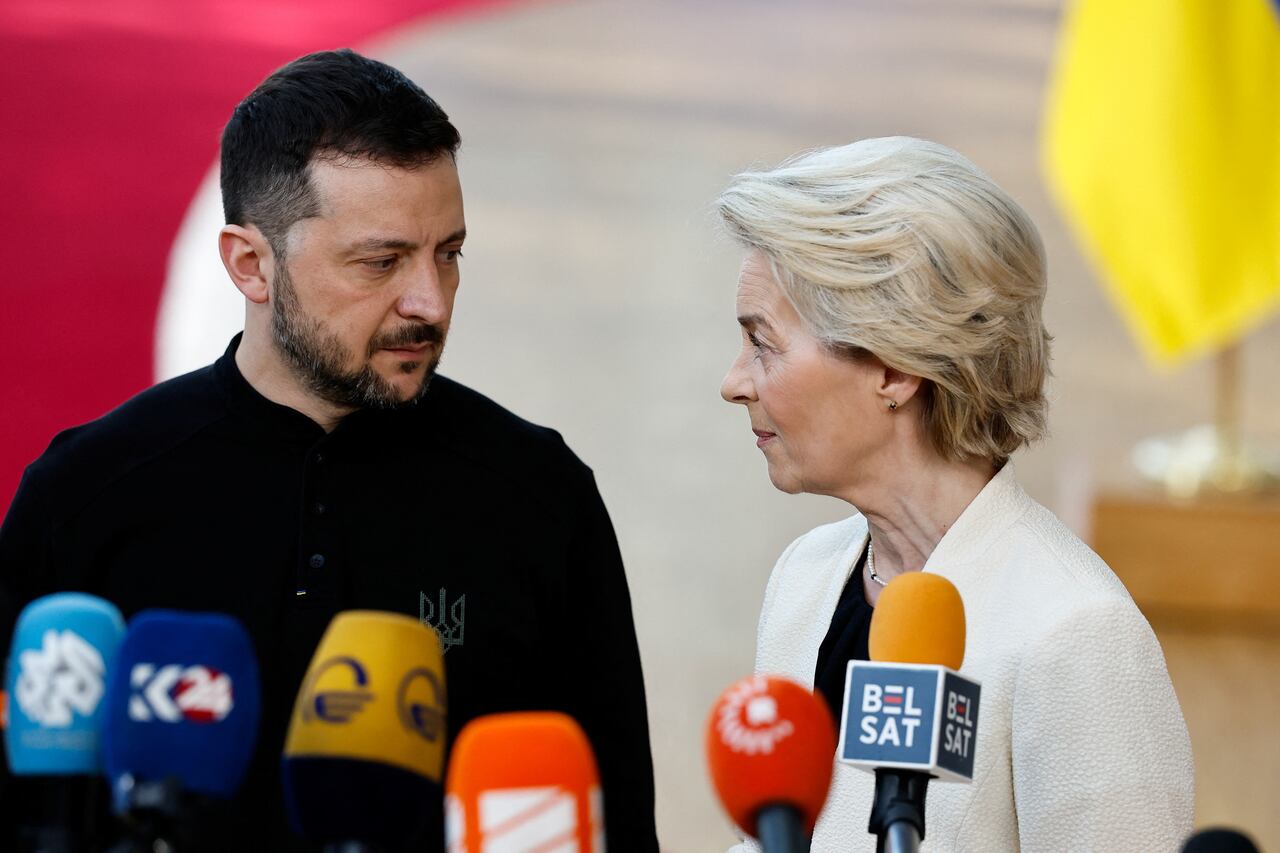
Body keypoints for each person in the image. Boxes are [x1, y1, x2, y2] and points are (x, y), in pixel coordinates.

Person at [0, 49, 658, 851]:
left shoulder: (540, 498)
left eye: (449, 253)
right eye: (381, 262)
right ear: (251, 265)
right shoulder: (84, 497)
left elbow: (620, 823)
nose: (430, 301)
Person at [715, 137, 1194, 851]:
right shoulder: (805, 577)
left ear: (893, 369)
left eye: (764, 344)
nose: (734, 382)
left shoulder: (1077, 635)